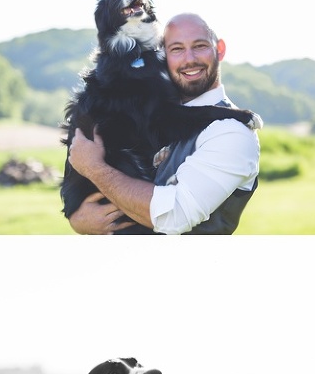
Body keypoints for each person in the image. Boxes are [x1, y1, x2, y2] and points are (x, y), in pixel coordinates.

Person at [68, 14, 261, 235]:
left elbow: (174, 216)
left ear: (220, 49)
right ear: (161, 55)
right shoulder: (154, 119)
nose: (189, 59)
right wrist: (78, 218)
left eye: (200, 46)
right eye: (176, 49)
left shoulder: (231, 132)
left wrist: (94, 169)